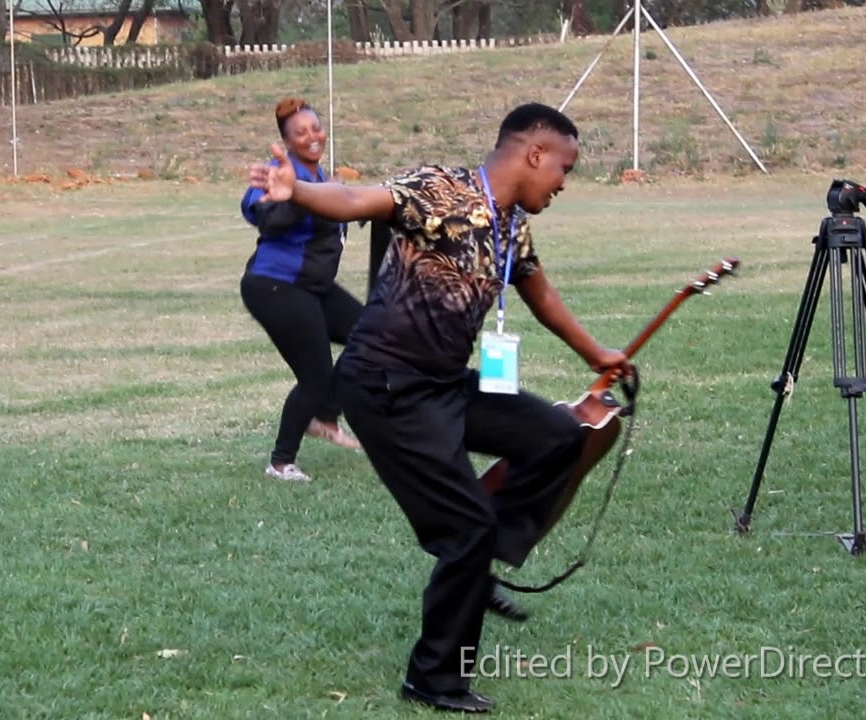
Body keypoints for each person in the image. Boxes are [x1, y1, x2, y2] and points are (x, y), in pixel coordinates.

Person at [248, 102, 632, 713]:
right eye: (564, 167)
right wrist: (298, 189)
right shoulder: (441, 189)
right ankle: (433, 678)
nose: (564, 182)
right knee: (465, 533)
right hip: (385, 385)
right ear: (535, 154)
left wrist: (598, 354)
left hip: (444, 382)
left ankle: (480, 564)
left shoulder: (512, 226)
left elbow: (539, 293)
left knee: (558, 436)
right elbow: (356, 201)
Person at [239, 96, 365, 483]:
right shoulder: (282, 174)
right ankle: (280, 463)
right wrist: (289, 197)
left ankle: (325, 416)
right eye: (301, 133)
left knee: (374, 334)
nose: (312, 136)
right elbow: (265, 216)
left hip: (314, 287)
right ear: (287, 141)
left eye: (315, 128)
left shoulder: (321, 176)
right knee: (315, 375)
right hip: (276, 286)